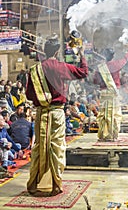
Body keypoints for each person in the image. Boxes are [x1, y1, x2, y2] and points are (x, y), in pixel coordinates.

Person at [25, 35, 88, 196]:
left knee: (40, 147)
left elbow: (29, 95)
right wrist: (81, 54)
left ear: (45, 51)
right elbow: (83, 72)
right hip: (57, 113)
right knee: (57, 148)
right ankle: (55, 184)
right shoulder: (61, 67)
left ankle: (35, 183)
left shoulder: (34, 70)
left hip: (41, 115)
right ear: (57, 51)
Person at [94, 42, 128, 141]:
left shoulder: (100, 67)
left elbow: (95, 81)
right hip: (114, 93)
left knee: (103, 114)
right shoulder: (117, 64)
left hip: (103, 93)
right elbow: (125, 59)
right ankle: (113, 135)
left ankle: (104, 134)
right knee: (114, 114)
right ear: (113, 56)